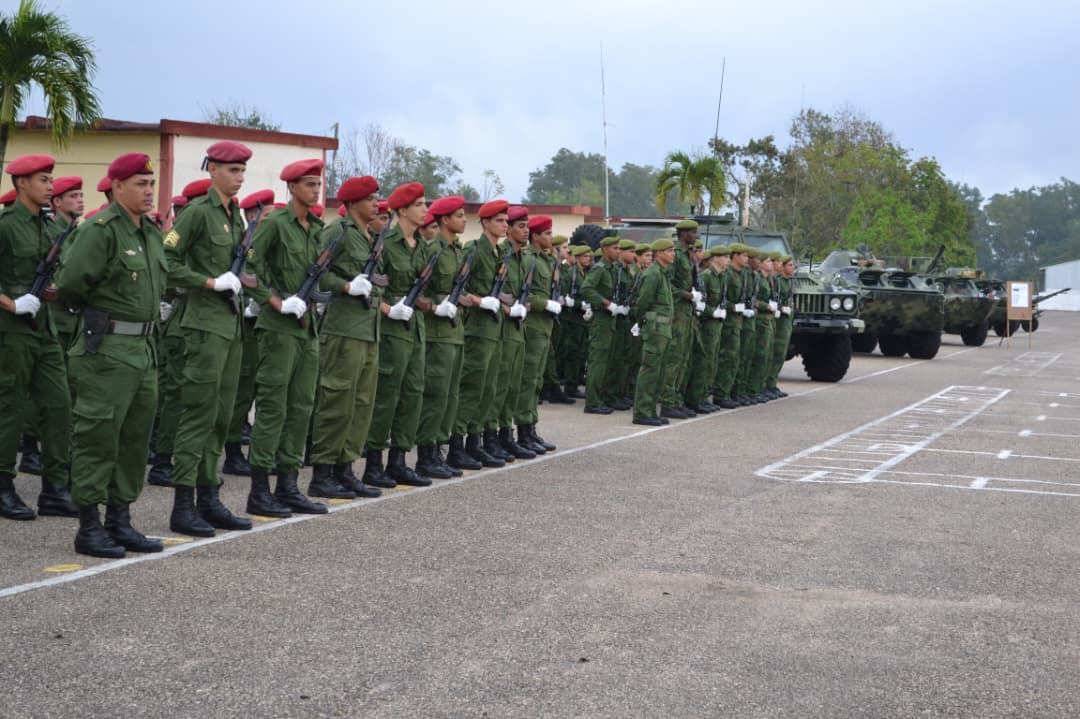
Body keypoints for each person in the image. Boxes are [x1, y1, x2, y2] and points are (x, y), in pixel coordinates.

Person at [56, 153, 166, 556]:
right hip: (106, 349)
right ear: (117, 186)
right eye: (140, 184)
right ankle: (89, 526)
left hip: (144, 349)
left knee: (134, 440)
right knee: (97, 437)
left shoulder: (149, 231)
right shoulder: (99, 230)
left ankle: (120, 521)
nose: (149, 191)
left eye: (151, 184)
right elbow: (70, 285)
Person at [161, 141, 257, 536]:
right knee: (198, 414)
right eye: (233, 170)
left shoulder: (236, 216)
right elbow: (166, 261)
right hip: (202, 327)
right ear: (213, 170)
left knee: (220, 417)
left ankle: (208, 497)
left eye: (242, 171)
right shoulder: (198, 213)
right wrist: (208, 282)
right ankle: (183, 505)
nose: (240, 177)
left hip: (229, 325)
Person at [244, 158, 329, 517]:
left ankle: (288, 485)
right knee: (273, 409)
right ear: (292, 187)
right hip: (278, 329)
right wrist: (274, 301)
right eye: (309, 184)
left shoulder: (316, 228)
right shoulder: (275, 224)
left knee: (301, 408)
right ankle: (259, 491)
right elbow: (248, 267)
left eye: (318, 184)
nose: (316, 190)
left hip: (307, 329)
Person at [0, 154, 78, 521]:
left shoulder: (49, 228)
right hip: (11, 331)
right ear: (22, 184)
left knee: (59, 405)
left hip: (45, 330)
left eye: (51, 179)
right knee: (10, 408)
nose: (50, 186)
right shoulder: (5, 226)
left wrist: (54, 290)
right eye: (43, 180)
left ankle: (55, 489)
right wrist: (12, 303)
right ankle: (3, 486)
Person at [306, 176, 384, 498]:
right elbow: (316, 271)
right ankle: (322, 472)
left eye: (376, 198)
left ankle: (345, 468)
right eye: (370, 199)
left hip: (368, 329)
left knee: (361, 403)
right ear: (352, 203)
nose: (376, 203)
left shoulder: (369, 236)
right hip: (343, 329)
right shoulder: (337, 231)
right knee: (337, 401)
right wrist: (346, 286)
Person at [361, 182, 433, 488]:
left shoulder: (423, 247)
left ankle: (399, 460)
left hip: (415, 328)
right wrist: (389, 309)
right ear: (402, 210)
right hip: (391, 329)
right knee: (387, 396)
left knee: (413, 393)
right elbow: (370, 287)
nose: (425, 210)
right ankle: (374, 463)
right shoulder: (385, 244)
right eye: (419, 205)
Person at [446, 200, 510, 470]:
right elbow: (455, 287)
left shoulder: (500, 253)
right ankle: (456, 446)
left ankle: (475, 442)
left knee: (488, 388)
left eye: (506, 220)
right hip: (476, 330)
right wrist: (479, 300)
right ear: (485, 223)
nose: (505, 225)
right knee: (471, 388)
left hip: (494, 329)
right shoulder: (473, 251)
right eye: (499, 221)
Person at [415, 195, 470, 479]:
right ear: (445, 220)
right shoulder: (432, 250)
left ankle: (438, 450)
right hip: (436, 333)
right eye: (459, 215)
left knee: (450, 396)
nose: (464, 220)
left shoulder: (457, 251)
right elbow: (418, 291)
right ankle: (426, 456)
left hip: (455, 331)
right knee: (435, 396)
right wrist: (436, 306)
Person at [222, 188, 275, 476]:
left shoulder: (267, 242)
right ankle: (232, 452)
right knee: (241, 391)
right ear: (253, 216)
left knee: (255, 387)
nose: (273, 221)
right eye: (268, 216)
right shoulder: (244, 243)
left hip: (262, 325)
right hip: (243, 326)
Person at [486, 206, 533, 462]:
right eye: (520, 226)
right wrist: (508, 308)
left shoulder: (523, 258)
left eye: (527, 226)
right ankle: (490, 437)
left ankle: (506, 435)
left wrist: (523, 306)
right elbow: (493, 292)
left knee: (512, 386)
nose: (526, 231)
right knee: (498, 385)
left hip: (517, 328)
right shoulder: (501, 255)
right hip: (501, 328)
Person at [514, 214, 562, 455]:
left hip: (545, 327)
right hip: (532, 326)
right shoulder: (529, 259)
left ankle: (531, 428)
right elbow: (521, 293)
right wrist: (545, 304)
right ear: (536, 237)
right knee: (528, 380)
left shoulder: (547, 260)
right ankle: (523, 431)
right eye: (548, 234)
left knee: (537, 381)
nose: (551, 238)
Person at [630, 238, 676, 426]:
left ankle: (650, 410)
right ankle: (641, 412)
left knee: (659, 372)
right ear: (659, 253)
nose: (673, 254)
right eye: (669, 251)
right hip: (655, 329)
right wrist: (641, 321)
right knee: (650, 371)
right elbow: (643, 303)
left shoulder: (663, 273)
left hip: (663, 330)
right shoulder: (653, 274)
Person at [660, 220, 703, 420]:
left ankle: (677, 400)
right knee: (673, 360)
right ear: (683, 233)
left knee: (684, 359)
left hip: (688, 313)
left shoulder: (690, 255)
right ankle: (667, 403)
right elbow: (667, 284)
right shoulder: (676, 255)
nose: (695, 235)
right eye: (692, 232)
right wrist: (687, 295)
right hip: (677, 313)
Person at [579, 237, 627, 414]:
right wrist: (606, 303)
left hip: (610, 320)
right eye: (615, 248)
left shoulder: (613, 269)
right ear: (605, 250)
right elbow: (586, 289)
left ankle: (604, 397)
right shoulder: (599, 268)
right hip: (600, 319)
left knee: (608, 361)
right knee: (598, 361)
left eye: (619, 248)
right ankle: (592, 402)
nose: (618, 251)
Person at [713, 243, 750, 409]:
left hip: (737, 323)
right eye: (744, 255)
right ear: (736, 256)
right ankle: (721, 394)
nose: (747, 259)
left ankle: (729, 392)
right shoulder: (727, 275)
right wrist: (733, 307)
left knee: (735, 359)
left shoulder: (741, 275)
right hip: (727, 323)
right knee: (727, 358)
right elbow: (720, 299)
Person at [557, 244, 591, 399]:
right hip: (572, 319)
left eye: (589, 256)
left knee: (581, 353)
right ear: (577, 258)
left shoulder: (585, 273)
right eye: (585, 256)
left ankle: (575, 382)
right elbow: (565, 297)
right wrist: (579, 304)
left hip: (582, 319)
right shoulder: (571, 274)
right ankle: (570, 386)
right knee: (572, 353)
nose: (588, 259)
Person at [764, 254, 795, 399]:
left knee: (780, 355)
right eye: (790, 265)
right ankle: (766, 384)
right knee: (773, 353)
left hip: (786, 322)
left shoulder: (790, 282)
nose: (792, 268)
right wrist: (781, 308)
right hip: (778, 321)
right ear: (782, 267)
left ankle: (772, 384)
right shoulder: (777, 281)